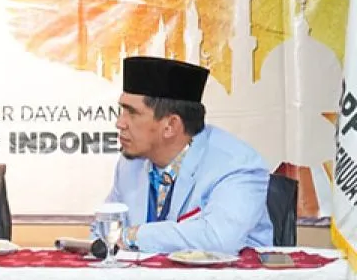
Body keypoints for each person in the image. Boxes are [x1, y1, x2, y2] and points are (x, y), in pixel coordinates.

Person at [102, 55, 273, 254]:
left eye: (131, 113)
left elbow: (217, 239)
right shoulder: (130, 164)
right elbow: (102, 231)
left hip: (230, 274)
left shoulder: (237, 164)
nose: (120, 123)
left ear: (170, 125)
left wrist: (133, 236)